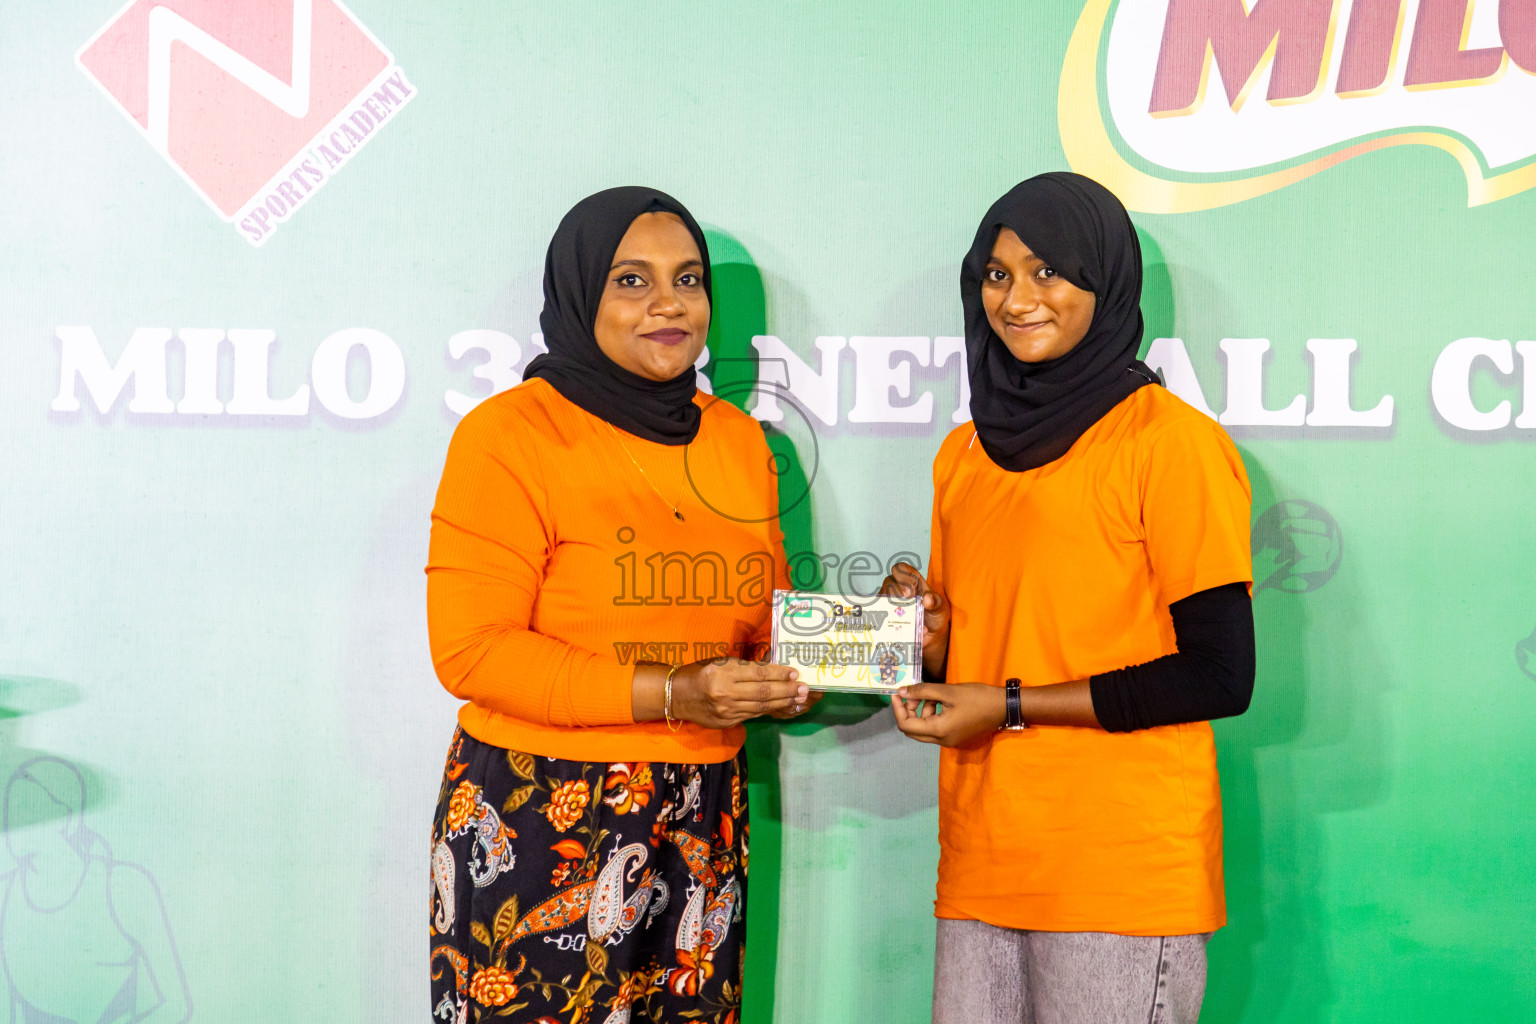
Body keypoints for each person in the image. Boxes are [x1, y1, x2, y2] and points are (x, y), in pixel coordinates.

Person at [426, 186, 815, 1024]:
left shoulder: (742, 442)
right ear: (578, 294)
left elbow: (760, 633)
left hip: (703, 812)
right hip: (540, 815)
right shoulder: (512, 435)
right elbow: (474, 651)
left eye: (687, 279)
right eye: (631, 281)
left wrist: (833, 658)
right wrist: (674, 692)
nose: (670, 303)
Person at [884, 172, 1255, 1024]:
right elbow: (982, 649)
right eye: (997, 273)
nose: (1017, 299)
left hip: (1118, 874)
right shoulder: (964, 453)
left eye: (1049, 272)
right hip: (982, 860)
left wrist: (1006, 705)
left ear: (1104, 281)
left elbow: (1219, 674)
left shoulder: (1171, 445)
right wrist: (927, 640)